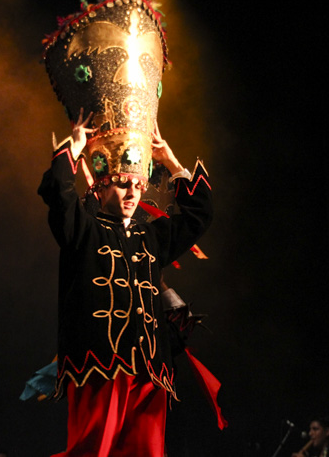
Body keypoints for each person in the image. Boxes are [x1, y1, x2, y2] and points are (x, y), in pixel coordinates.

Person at [38, 109, 212, 457]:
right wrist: (74, 147)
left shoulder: (152, 236)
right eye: (122, 183)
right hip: (100, 363)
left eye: (138, 184)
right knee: (92, 451)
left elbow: (198, 216)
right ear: (102, 185)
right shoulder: (83, 231)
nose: (132, 193)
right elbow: (59, 195)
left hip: (152, 367)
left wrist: (170, 160)